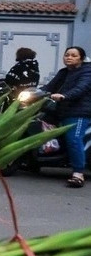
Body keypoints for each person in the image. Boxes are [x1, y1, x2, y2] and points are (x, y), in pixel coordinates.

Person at [40, 46, 91, 188]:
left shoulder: (87, 71)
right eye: (67, 55)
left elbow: (81, 88)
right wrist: (33, 92)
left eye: (74, 55)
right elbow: (48, 87)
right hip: (62, 111)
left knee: (74, 138)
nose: (69, 57)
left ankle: (78, 174)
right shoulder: (64, 72)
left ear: (81, 58)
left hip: (79, 112)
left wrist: (64, 96)